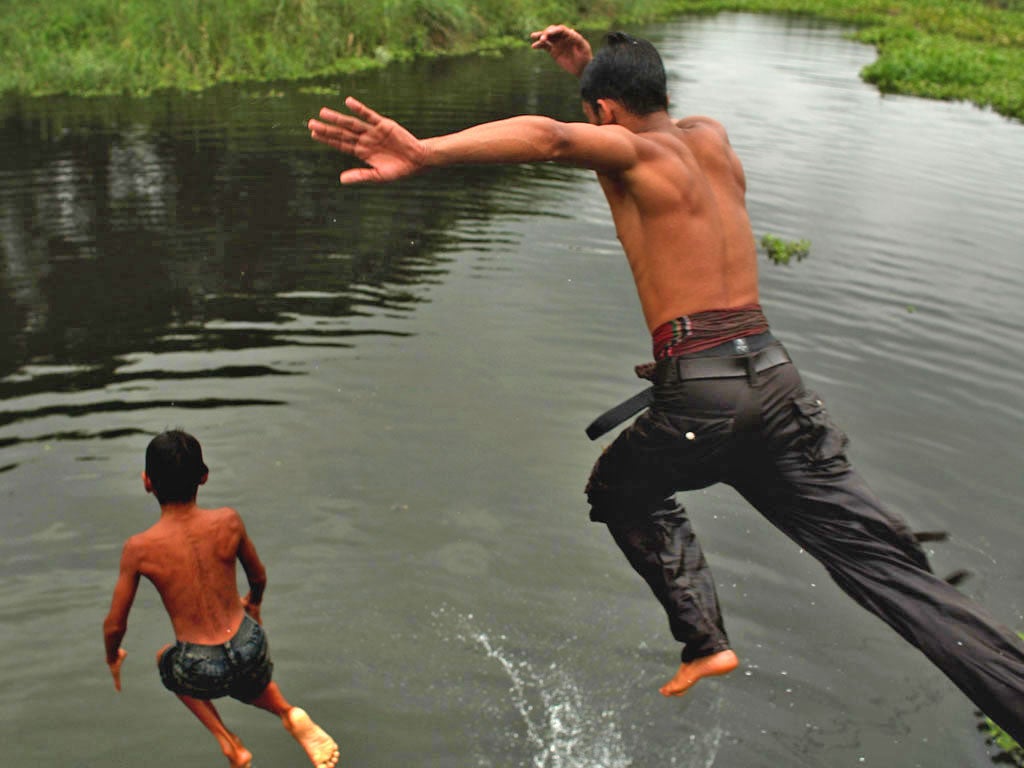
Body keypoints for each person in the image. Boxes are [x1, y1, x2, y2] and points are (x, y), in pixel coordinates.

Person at [307, 25, 1024, 742]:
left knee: (619, 489)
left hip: (704, 397)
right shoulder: (709, 136)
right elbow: (638, 123)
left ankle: (707, 639)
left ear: (606, 114)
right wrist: (595, 73)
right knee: (882, 567)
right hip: (773, 378)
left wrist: (425, 151)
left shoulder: (624, 150)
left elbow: (551, 140)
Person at [103, 430, 340, 768]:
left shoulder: (139, 549)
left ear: (147, 482)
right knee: (241, 676)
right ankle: (290, 712)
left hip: (200, 664)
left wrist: (114, 656)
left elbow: (115, 623)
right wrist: (254, 603)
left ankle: (229, 743)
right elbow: (258, 575)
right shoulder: (229, 520)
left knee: (166, 662)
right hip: (248, 643)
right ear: (204, 476)